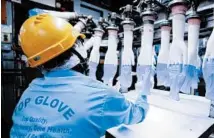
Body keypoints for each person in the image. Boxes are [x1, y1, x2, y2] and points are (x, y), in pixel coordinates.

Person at [10, 14, 149, 138]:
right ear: (76, 49)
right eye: (79, 42)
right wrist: (142, 92)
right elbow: (137, 114)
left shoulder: (30, 91)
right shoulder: (101, 95)